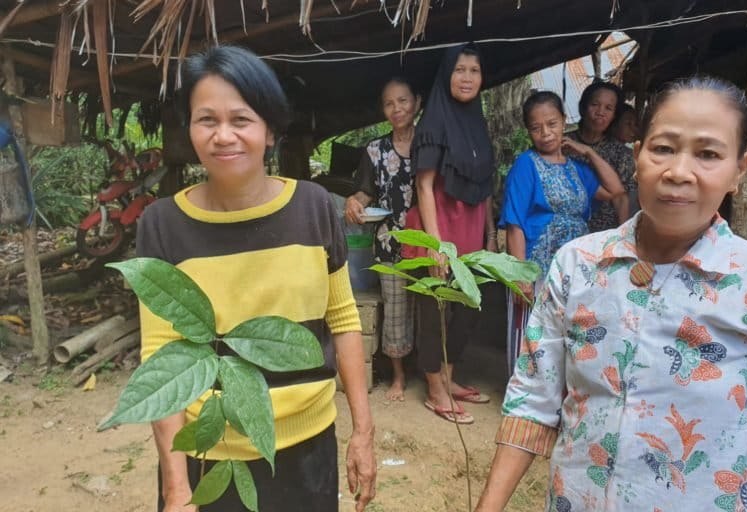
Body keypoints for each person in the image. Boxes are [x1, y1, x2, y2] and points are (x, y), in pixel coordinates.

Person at [475, 76, 747, 511]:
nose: (678, 171)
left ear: (739, 170)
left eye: (708, 154)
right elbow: (533, 399)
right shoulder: (577, 265)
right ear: (638, 156)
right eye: (663, 148)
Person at [137, 46, 376, 512]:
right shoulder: (162, 225)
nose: (224, 136)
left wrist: (363, 434)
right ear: (189, 128)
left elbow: (343, 322)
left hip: (309, 451)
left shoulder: (313, 209)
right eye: (207, 119)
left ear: (269, 130)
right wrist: (177, 488)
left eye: (241, 119)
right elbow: (160, 358)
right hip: (209, 457)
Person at [499, 91, 625, 375]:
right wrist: (521, 274)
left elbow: (616, 191)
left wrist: (588, 152)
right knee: (531, 334)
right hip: (536, 265)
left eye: (552, 124)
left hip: (573, 269)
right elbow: (514, 223)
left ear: (565, 122)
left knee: (564, 335)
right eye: (536, 127)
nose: (545, 133)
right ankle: (524, 401)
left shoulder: (576, 169)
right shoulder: (525, 165)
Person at [404, 43, 497, 424]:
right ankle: (435, 389)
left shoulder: (477, 123)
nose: (467, 78)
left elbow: (486, 186)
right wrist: (436, 245)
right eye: (460, 69)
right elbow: (425, 188)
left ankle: (449, 376)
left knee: (466, 311)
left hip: (473, 232)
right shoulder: (433, 123)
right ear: (447, 74)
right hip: (438, 231)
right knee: (436, 314)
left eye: (474, 71)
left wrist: (491, 235)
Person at [344, 77, 421, 402]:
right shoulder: (375, 150)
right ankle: (399, 377)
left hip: (429, 240)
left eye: (402, 101)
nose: (397, 109)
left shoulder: (431, 144)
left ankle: (431, 371)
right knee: (395, 309)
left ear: (416, 102)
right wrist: (355, 201)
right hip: (390, 240)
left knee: (430, 308)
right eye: (389, 103)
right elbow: (366, 190)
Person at [572, 81, 636, 230]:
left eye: (609, 108)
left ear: (614, 116)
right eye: (595, 104)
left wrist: (621, 239)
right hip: (565, 233)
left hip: (603, 237)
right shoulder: (561, 145)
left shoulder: (622, 154)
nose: (600, 112)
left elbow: (621, 200)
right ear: (583, 107)